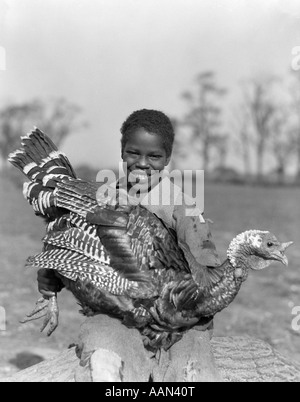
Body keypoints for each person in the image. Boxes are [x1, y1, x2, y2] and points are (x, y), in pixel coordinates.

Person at [37, 109, 222, 381]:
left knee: (193, 366)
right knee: (103, 344)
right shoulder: (105, 198)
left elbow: (207, 268)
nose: (142, 163)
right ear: (122, 153)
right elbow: (72, 245)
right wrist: (48, 290)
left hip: (177, 320)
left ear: (167, 159)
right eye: (134, 153)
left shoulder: (181, 207)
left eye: (154, 156)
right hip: (121, 312)